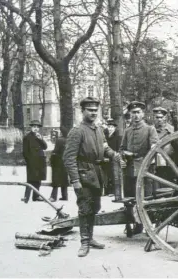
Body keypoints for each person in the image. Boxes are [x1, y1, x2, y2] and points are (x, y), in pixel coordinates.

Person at [63, 97, 122, 257]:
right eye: (90, 110)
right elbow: (68, 158)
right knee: (85, 208)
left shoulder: (98, 130)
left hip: (97, 174)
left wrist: (115, 155)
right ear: (82, 111)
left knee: (95, 207)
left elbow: (104, 147)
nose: (93, 113)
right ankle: (84, 242)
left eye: (95, 110)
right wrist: (75, 180)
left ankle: (90, 238)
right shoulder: (77, 131)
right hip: (83, 175)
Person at [120, 101, 159, 235]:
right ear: (130, 114)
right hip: (130, 169)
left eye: (138, 112)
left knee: (147, 198)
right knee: (130, 199)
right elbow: (122, 148)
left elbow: (155, 148)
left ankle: (149, 227)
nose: (135, 115)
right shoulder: (127, 130)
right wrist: (124, 156)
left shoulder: (150, 129)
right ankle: (134, 225)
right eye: (133, 113)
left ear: (142, 114)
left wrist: (148, 158)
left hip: (145, 168)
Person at [22, 120, 47, 203]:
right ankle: (26, 197)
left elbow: (45, 147)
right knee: (30, 180)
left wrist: (41, 139)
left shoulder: (39, 136)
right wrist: (29, 161)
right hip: (32, 162)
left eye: (37, 127)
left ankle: (36, 196)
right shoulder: (27, 137)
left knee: (38, 180)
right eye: (34, 127)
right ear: (31, 127)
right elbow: (25, 152)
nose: (36, 129)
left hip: (40, 161)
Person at [50, 126, 69, 201]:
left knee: (56, 179)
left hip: (58, 162)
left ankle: (53, 197)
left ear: (61, 132)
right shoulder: (68, 140)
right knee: (64, 179)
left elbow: (55, 151)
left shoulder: (59, 140)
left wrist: (52, 155)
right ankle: (65, 196)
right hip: (65, 162)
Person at [103, 118, 121, 196]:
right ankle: (106, 190)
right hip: (106, 159)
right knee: (106, 175)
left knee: (114, 175)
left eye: (111, 127)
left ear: (115, 128)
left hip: (114, 158)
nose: (110, 129)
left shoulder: (118, 137)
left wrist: (116, 156)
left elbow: (119, 148)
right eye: (109, 127)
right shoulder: (105, 137)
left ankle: (113, 191)